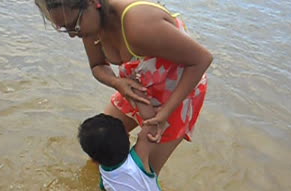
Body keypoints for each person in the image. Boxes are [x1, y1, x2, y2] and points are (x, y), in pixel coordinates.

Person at [35, 0, 213, 175]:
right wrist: (117, 83)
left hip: (176, 93)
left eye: (74, 25)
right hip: (135, 85)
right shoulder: (90, 26)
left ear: (92, 2)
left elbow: (202, 59)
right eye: (65, 29)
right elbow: (97, 65)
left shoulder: (138, 23)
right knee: (99, 146)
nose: (73, 34)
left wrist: (165, 113)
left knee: (142, 171)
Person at [78, 89, 168, 191]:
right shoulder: (139, 159)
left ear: (95, 160)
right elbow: (152, 123)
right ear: (127, 135)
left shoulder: (105, 175)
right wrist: (138, 91)